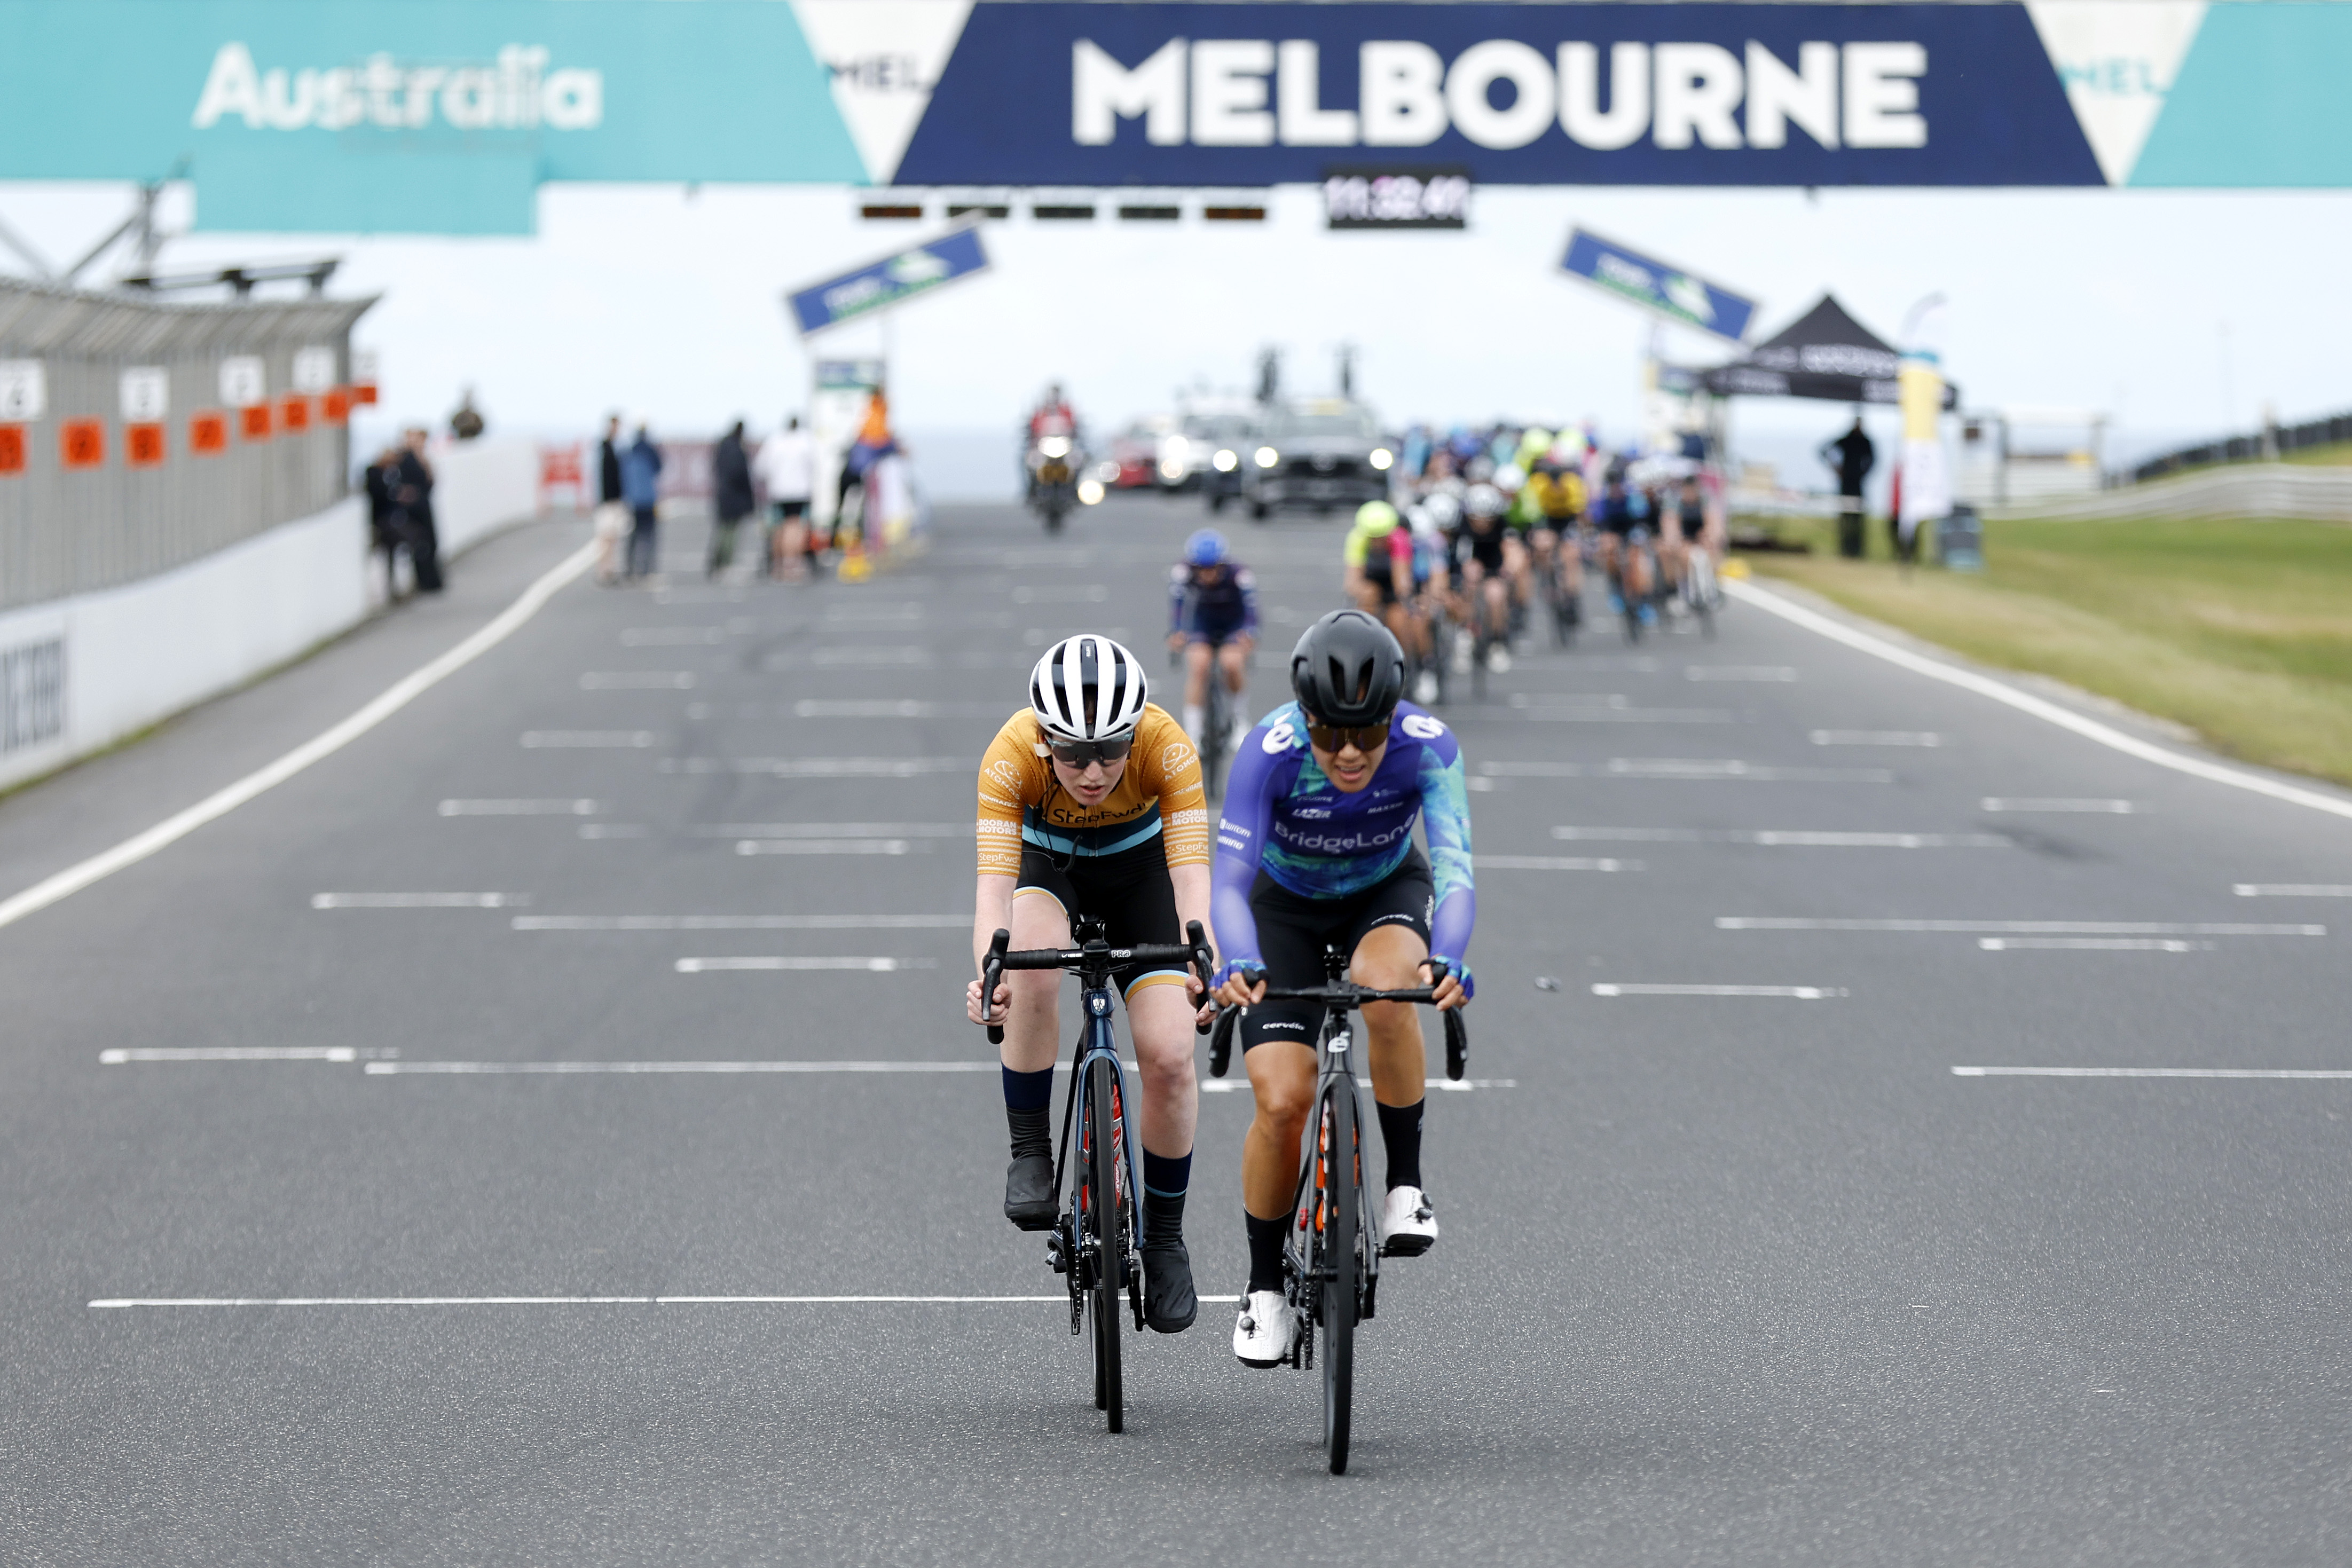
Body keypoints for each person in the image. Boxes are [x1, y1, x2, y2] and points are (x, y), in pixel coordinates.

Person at [1210, 610, 1474, 1367]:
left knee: (1387, 987)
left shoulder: (1429, 747)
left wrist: (1449, 954)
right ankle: (1263, 1286)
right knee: (1283, 1100)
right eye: (1331, 734)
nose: (1351, 752)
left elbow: (1454, 867)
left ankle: (1405, 1185)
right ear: (1305, 720)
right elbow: (1229, 879)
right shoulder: (1268, 751)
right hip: (1281, 906)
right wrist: (1238, 957)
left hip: (1383, 890)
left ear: (1396, 716)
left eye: (1369, 733)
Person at [965, 636, 1214, 1334]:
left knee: (1167, 1056)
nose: (1095, 770)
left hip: (1143, 878)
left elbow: (1192, 879)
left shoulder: (1167, 746)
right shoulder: (1009, 752)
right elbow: (993, 892)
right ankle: (1029, 1152)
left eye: (1112, 748)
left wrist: (1205, 962)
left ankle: (1164, 1239)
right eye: (1072, 753)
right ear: (1044, 739)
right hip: (1051, 869)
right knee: (1031, 965)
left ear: (1136, 730)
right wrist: (990, 971)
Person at [1167, 529, 1257, 750]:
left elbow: (1251, 610)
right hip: (1202, 625)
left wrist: (1249, 633)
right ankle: (1194, 732)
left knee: (1232, 665)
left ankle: (1239, 721)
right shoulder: (1182, 572)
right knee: (1199, 666)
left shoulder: (1240, 575)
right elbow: (1177, 605)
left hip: (1232, 625)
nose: (1207, 575)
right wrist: (1177, 632)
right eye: (1201, 570)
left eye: (1212, 569)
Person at [757, 415, 815, 580]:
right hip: (800, 491)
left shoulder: (775, 441)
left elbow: (761, 467)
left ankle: (779, 564)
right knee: (795, 527)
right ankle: (793, 563)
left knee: (778, 528)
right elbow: (814, 465)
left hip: (778, 491)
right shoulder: (806, 440)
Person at [1820, 415, 1875, 559]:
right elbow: (1823, 450)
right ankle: (1845, 549)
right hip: (1846, 482)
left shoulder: (1865, 441)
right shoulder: (1847, 439)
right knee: (1845, 516)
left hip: (1858, 482)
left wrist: (1864, 473)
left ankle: (1857, 550)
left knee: (1858, 517)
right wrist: (1836, 468)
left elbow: (1874, 460)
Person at [394, 428, 443, 593]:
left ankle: (432, 580)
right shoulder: (407, 458)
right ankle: (425, 581)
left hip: (423, 504)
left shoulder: (421, 458)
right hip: (414, 507)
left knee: (430, 542)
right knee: (421, 543)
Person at [709, 420, 754, 578]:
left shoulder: (723, 447)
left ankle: (717, 563)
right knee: (730, 532)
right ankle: (724, 564)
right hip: (734, 497)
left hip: (723, 494)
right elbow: (741, 475)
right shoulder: (736, 449)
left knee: (723, 530)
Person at [363, 444, 406, 599]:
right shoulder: (374, 473)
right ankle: (386, 591)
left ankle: (393, 588)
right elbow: (379, 495)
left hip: (391, 519)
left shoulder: (390, 474)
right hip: (381, 521)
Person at [621, 424, 663, 580]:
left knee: (633, 536)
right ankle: (646, 570)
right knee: (649, 536)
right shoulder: (650, 452)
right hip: (648, 500)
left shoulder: (629, 453)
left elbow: (624, 477)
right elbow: (659, 468)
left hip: (633, 501)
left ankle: (630, 569)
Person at [593, 415, 629, 586]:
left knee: (613, 538)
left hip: (614, 500)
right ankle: (604, 570)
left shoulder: (615, 448)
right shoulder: (604, 448)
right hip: (608, 501)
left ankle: (610, 569)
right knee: (606, 537)